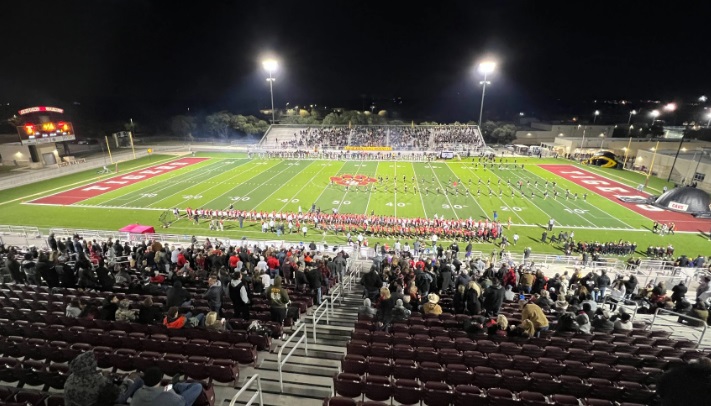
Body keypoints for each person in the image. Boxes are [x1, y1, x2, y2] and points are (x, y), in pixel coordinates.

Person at [131, 366, 204, 406]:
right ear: (160, 380)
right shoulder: (168, 394)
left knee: (168, 387)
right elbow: (180, 401)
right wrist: (172, 390)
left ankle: (173, 384)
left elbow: (159, 391)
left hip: (159, 394)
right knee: (197, 386)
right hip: (178, 402)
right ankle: (176, 385)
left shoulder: (138, 393)